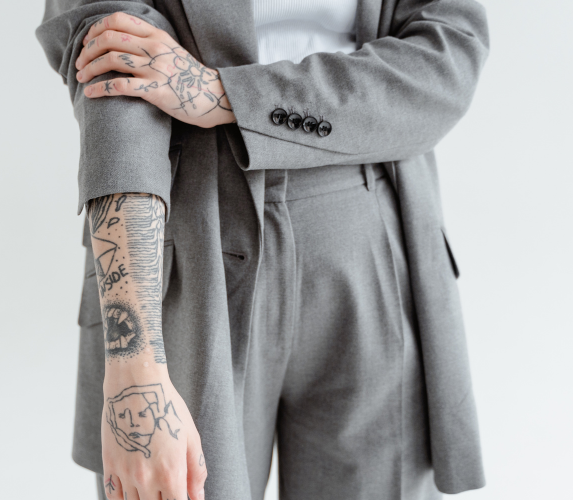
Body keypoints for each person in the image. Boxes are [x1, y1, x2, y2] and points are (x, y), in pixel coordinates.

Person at [36, 0, 489, 498]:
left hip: (369, 223)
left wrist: (229, 96)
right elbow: (114, 61)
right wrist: (135, 370)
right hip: (185, 236)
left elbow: (448, 53)